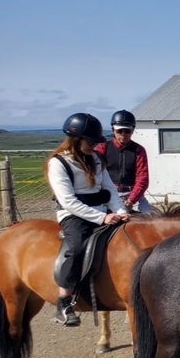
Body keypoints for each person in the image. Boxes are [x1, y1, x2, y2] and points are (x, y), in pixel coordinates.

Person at [46, 113, 130, 326]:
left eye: (95, 142)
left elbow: (109, 188)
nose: (94, 145)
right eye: (90, 141)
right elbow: (67, 201)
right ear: (76, 139)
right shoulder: (58, 163)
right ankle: (64, 301)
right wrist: (102, 217)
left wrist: (120, 211)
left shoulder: (96, 159)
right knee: (76, 247)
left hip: (104, 211)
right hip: (75, 215)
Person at [93, 110, 153, 212]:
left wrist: (131, 200)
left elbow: (142, 178)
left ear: (133, 130)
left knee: (152, 219)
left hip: (132, 194)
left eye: (127, 131)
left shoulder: (139, 150)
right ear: (113, 130)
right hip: (107, 193)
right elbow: (96, 173)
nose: (123, 134)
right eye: (119, 131)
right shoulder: (103, 147)